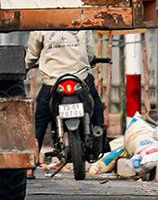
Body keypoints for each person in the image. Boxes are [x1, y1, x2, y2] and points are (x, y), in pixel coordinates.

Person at [25, 28, 105, 157]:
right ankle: (100, 137)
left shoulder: (40, 25)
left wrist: (27, 65)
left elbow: (32, 55)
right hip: (80, 78)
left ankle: (30, 165)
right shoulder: (82, 22)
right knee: (96, 104)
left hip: (53, 81)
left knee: (40, 121)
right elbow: (90, 53)